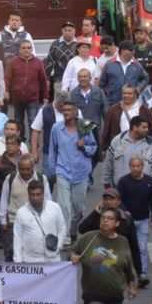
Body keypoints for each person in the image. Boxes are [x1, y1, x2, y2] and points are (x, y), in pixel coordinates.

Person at [71, 208, 137, 304]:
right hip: (91, 298)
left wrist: (132, 285)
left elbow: (128, 265)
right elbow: (73, 251)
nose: (105, 220)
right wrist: (73, 256)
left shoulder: (123, 242)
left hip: (114, 300)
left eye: (110, 218)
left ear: (117, 223)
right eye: (103, 218)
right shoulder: (88, 238)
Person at [48, 101, 98, 242]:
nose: (66, 112)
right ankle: (65, 236)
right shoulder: (56, 128)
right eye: (64, 110)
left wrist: (84, 147)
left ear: (76, 112)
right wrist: (53, 170)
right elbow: (53, 149)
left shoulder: (84, 127)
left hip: (81, 172)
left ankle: (73, 229)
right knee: (63, 206)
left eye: (69, 110)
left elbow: (93, 148)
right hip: (62, 170)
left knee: (79, 208)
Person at [117, 156, 152, 287]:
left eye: (138, 166)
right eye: (133, 166)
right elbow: (118, 200)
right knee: (125, 248)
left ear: (142, 166)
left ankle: (142, 274)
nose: (136, 168)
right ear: (130, 167)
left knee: (142, 248)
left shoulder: (149, 181)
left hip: (143, 220)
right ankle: (124, 273)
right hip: (127, 221)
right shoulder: (123, 181)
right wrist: (124, 211)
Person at [13, 177, 67, 262]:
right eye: (32, 194)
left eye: (38, 194)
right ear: (28, 194)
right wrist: (18, 261)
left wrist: (58, 247)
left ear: (43, 194)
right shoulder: (21, 212)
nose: (35, 198)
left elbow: (62, 229)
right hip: (31, 261)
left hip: (53, 260)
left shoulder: (55, 208)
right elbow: (17, 238)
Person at [103, 115, 152, 190]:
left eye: (147, 127)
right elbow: (108, 163)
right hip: (120, 189)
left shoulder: (150, 143)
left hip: (143, 189)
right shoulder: (118, 141)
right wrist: (107, 184)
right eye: (144, 127)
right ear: (135, 127)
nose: (147, 130)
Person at [6, 38, 50, 138]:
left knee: (32, 122)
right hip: (17, 98)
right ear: (19, 50)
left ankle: (33, 147)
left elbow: (43, 80)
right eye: (24, 48)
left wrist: (46, 96)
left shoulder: (38, 62)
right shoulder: (13, 62)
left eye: (29, 48)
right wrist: (6, 91)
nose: (26, 50)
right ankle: (20, 145)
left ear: (31, 49)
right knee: (18, 123)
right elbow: (7, 78)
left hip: (33, 99)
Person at [101, 85, 152, 154]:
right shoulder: (113, 110)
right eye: (124, 93)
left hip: (139, 147)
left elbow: (150, 129)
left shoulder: (144, 110)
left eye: (129, 93)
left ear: (135, 95)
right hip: (119, 147)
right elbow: (106, 130)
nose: (126, 95)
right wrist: (103, 148)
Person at [101, 41, 149, 106]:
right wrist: (107, 94)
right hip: (113, 102)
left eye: (133, 50)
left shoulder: (136, 64)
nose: (133, 52)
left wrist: (138, 89)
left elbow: (145, 78)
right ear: (122, 51)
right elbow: (102, 83)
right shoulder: (109, 64)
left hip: (132, 102)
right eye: (131, 50)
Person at [46, 21, 81, 92]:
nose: (67, 32)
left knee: (74, 101)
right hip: (59, 78)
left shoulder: (78, 45)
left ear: (74, 31)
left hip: (75, 79)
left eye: (70, 30)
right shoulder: (55, 44)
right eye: (65, 30)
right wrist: (47, 78)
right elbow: (50, 62)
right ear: (62, 31)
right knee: (60, 100)